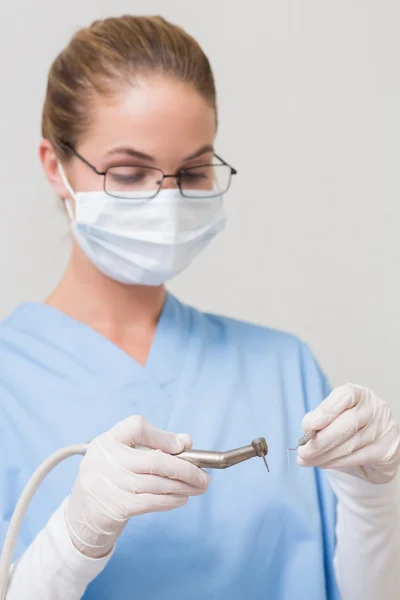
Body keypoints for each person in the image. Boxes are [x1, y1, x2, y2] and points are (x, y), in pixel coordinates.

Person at [0, 15, 399, 600]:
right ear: (54, 166)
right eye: (129, 172)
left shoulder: (285, 369)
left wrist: (372, 500)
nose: (166, 202)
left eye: (192, 172)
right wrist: (72, 540)